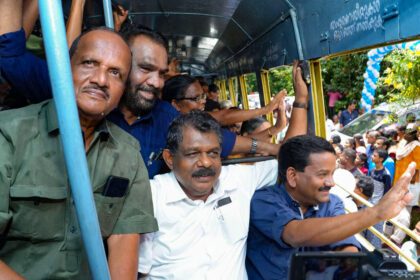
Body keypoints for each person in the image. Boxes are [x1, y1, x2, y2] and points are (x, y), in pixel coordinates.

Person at [0, 11, 281, 179]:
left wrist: (272, 148)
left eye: (161, 73)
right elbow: (7, 51)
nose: (157, 82)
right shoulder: (66, 90)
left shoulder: (165, 117)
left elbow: (219, 139)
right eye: (145, 69)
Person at [0, 27, 157, 279]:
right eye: (89, 64)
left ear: (122, 91)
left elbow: (123, 247)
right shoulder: (8, 135)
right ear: (63, 68)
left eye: (115, 73)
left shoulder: (127, 155)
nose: (101, 80)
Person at [138, 63, 309, 279]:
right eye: (192, 154)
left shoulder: (237, 180)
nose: (205, 163)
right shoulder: (151, 197)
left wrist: (301, 101)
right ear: (170, 158)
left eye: (213, 153)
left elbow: (292, 158)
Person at [246, 135, 416, 280]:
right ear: (292, 176)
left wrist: (348, 264)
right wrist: (376, 213)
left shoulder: (332, 203)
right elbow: (294, 234)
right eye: (322, 175)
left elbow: (344, 246)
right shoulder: (264, 201)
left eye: (332, 173)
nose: (331, 183)